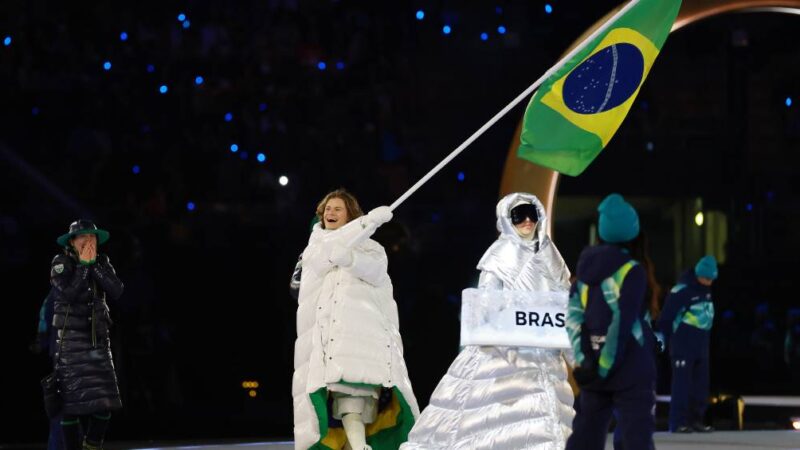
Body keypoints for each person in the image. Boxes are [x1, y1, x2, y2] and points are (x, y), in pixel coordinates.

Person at [401, 192, 574, 449]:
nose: (527, 221)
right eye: (518, 215)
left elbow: (563, 300)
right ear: (507, 220)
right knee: (505, 414)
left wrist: (572, 349)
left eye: (532, 214)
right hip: (507, 352)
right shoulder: (500, 255)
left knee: (544, 414)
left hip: (545, 349)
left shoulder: (550, 253)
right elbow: (487, 303)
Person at [292, 189, 419, 450]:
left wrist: (351, 256)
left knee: (359, 405)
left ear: (350, 214)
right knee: (347, 404)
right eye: (327, 208)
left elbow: (374, 272)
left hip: (363, 340)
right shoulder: (315, 248)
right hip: (329, 344)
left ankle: (359, 446)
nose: (330, 212)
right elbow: (324, 256)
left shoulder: (372, 248)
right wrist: (368, 222)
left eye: (338, 209)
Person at [565, 194, 658, 450]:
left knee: (585, 436)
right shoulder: (632, 271)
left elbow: (573, 318)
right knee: (634, 439)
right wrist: (605, 366)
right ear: (633, 232)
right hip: (629, 368)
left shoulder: (584, 272)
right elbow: (622, 323)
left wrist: (585, 362)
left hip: (593, 368)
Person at [51, 220, 124, 450]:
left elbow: (117, 290)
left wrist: (93, 266)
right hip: (71, 344)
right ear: (72, 242)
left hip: (99, 343)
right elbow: (69, 293)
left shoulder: (102, 262)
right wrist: (83, 266)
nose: (88, 241)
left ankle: (91, 445)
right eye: (83, 237)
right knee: (71, 405)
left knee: (105, 403)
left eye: (92, 238)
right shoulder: (60, 263)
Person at [657, 255, 717, 433]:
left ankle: (696, 420)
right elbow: (666, 319)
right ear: (698, 274)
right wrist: (665, 340)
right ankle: (678, 422)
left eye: (711, 279)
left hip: (701, 347)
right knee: (682, 386)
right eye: (706, 278)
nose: (708, 282)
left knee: (700, 386)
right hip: (683, 347)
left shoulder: (705, 290)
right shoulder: (682, 291)